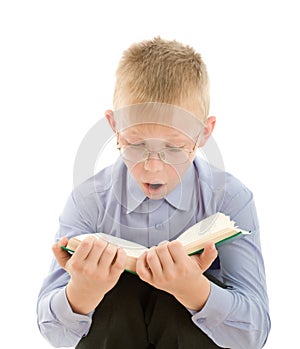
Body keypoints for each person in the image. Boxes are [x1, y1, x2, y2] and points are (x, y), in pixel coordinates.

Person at [37, 37, 270, 349]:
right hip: (112, 332)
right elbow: (51, 331)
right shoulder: (88, 201)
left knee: (183, 304)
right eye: (135, 145)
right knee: (114, 296)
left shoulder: (230, 199)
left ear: (204, 134)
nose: (153, 168)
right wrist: (82, 293)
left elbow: (255, 334)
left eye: (173, 148)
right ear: (114, 127)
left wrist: (193, 290)